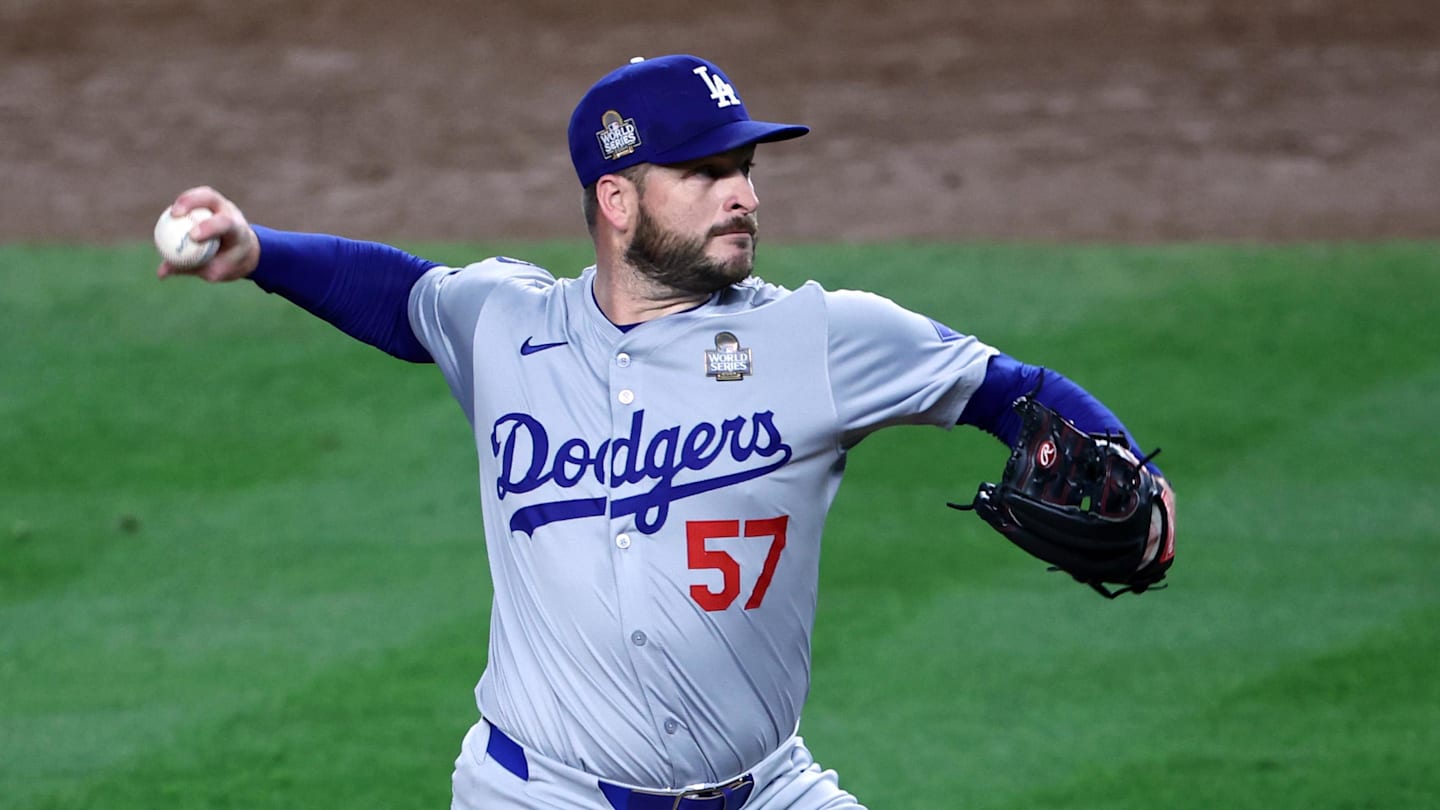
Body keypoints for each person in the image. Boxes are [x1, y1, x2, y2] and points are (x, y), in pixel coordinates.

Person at [157, 54, 1174, 810]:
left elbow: (1012, 389)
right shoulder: (507, 324)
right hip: (538, 794)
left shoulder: (818, 336)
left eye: (743, 165)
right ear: (616, 198)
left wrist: (1128, 470)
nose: (744, 192)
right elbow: (403, 296)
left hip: (766, 790)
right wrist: (260, 251)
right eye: (703, 172)